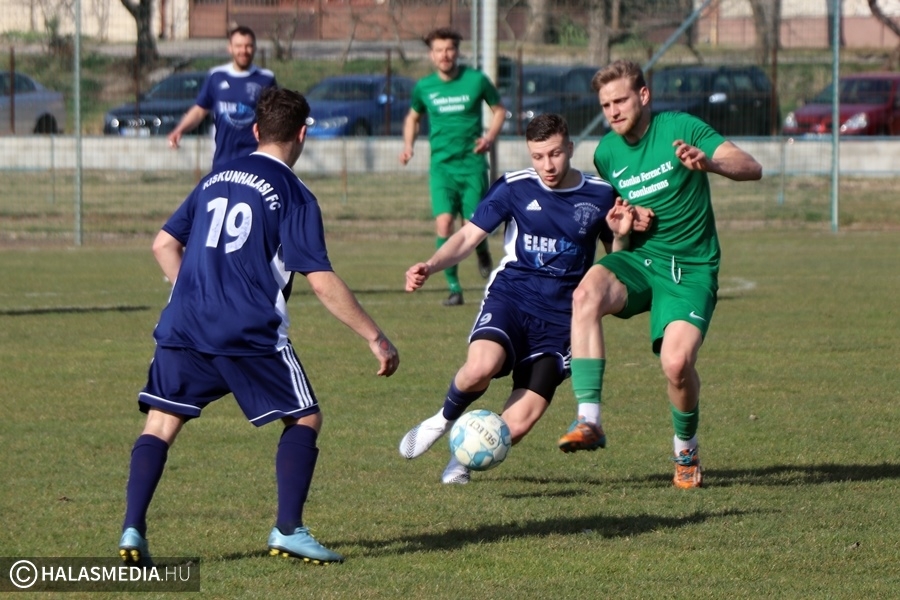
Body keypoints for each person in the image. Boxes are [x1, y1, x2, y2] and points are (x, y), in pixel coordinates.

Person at [118, 87, 400, 567]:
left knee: (162, 423)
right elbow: (320, 279)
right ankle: (288, 528)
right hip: (247, 330)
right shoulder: (294, 193)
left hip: (182, 323)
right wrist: (375, 335)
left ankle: (132, 530)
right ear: (302, 132)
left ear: (254, 131)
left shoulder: (214, 179)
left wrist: (194, 288)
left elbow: (163, 244)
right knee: (304, 417)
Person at [398, 113, 652, 484]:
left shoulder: (600, 195)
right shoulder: (514, 187)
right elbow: (469, 237)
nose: (547, 165)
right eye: (537, 156)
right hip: (512, 299)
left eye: (554, 154)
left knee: (515, 427)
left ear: (570, 147)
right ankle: (442, 420)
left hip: (562, 324)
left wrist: (621, 234)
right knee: (479, 368)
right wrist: (431, 265)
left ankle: (463, 460)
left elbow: (615, 259)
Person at [556, 60, 762, 489]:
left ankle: (685, 451)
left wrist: (712, 164)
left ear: (644, 96)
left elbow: (751, 166)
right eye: (605, 104)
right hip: (640, 262)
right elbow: (619, 232)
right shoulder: (606, 155)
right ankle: (589, 420)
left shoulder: (680, 128)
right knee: (585, 295)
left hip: (691, 271)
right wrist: (622, 225)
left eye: (621, 101)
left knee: (676, 365)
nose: (612, 111)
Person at [399, 27, 506, 307]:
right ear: (431, 55)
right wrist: (408, 145)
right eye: (438, 50)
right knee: (445, 223)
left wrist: (490, 137)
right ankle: (454, 288)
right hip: (442, 169)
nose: (444, 55)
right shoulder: (424, 87)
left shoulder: (476, 80)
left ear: (457, 51)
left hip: (472, 167)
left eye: (449, 49)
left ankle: (482, 250)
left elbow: (500, 110)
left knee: (472, 226)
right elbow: (413, 117)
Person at [167, 26, 277, 170]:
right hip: (223, 159)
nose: (243, 51)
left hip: (255, 158)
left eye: (248, 46)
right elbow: (200, 110)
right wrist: (179, 130)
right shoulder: (216, 76)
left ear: (255, 48)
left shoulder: (266, 78)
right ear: (230, 48)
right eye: (238, 46)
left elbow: (276, 117)